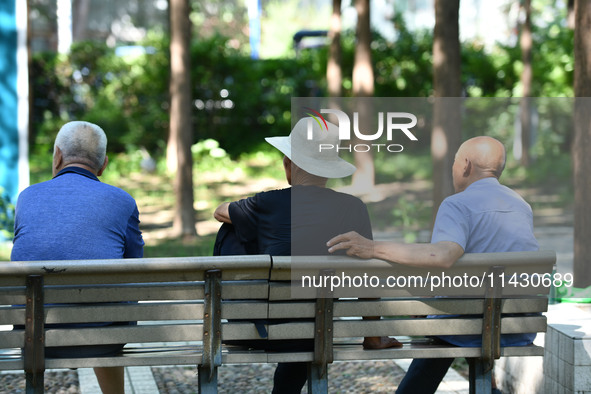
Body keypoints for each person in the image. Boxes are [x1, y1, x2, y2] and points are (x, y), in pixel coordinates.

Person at [327, 136, 539, 394]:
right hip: (517, 326)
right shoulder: (521, 206)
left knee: (442, 325)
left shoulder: (457, 204)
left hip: (466, 326)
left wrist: (372, 248)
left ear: (465, 165)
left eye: (454, 162)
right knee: (464, 316)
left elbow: (443, 255)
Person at [214, 117, 401, 394]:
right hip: (316, 330)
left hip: (259, 330)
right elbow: (367, 274)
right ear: (329, 168)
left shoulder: (266, 204)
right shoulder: (353, 208)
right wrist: (372, 333)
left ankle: (240, 313)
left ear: (289, 164)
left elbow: (220, 210)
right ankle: (372, 335)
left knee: (230, 228)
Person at [11, 121, 144, 394]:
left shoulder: (27, 197)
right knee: (110, 307)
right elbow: (134, 267)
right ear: (103, 164)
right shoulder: (122, 201)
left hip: (34, 334)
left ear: (57, 155)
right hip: (104, 338)